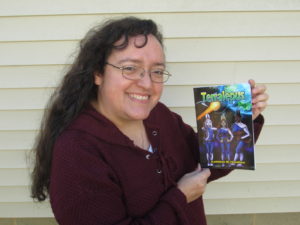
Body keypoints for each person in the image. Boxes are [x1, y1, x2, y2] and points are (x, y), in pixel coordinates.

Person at [31, 17, 268, 225]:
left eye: (157, 71)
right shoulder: (77, 153)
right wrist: (180, 197)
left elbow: (205, 164)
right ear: (97, 73)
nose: (146, 84)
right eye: (130, 68)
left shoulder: (159, 116)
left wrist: (240, 117)